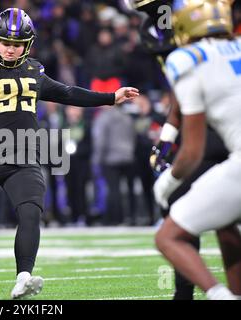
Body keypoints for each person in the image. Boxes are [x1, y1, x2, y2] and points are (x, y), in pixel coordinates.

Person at [0, 8, 139, 299]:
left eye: (17, 44)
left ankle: (24, 277)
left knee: (31, 211)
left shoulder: (34, 69)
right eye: (6, 43)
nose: (11, 49)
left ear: (27, 45)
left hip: (24, 156)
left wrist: (110, 97)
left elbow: (68, 93)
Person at [131, 0, 238, 299]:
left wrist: (167, 180)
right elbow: (183, 95)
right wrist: (166, 139)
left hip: (221, 142)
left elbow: (191, 148)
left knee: (171, 231)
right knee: (225, 221)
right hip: (220, 136)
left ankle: (203, 294)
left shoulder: (186, 57)